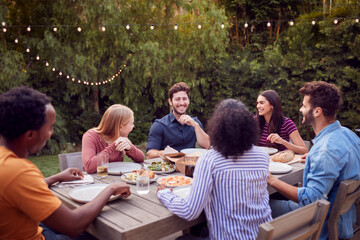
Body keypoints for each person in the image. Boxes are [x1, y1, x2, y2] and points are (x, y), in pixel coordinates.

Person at [0, 86, 131, 239]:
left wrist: (56, 178)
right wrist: (110, 189)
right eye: (50, 127)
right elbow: (73, 225)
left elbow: (17, 187)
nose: (52, 133)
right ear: (30, 134)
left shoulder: (6, 162)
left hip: (32, 225)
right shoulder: (18, 171)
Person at [157, 99, 272, 239]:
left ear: (218, 127)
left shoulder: (210, 159)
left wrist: (164, 194)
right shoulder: (262, 156)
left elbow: (189, 211)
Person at [268, 81, 360, 240]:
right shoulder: (348, 135)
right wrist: (312, 157)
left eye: (304, 106)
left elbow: (310, 200)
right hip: (344, 220)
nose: (300, 109)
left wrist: (271, 180)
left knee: (262, 207)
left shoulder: (325, 151)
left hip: (321, 224)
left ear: (317, 111)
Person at [146, 82, 210, 159]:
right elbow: (150, 154)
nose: (182, 103)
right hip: (168, 167)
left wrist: (196, 126)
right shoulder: (159, 125)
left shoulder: (195, 122)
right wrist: (169, 153)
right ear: (170, 101)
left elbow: (207, 145)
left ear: (189, 100)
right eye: (177, 99)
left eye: (184, 99)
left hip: (190, 166)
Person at [82, 104, 144, 173]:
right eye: (131, 123)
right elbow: (89, 167)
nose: (133, 126)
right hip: (96, 180)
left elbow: (141, 158)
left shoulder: (121, 136)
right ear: (121, 127)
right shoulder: (90, 136)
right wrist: (113, 146)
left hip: (115, 178)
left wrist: (130, 148)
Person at [256, 90, 308, 154]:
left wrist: (283, 142)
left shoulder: (287, 123)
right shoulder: (254, 121)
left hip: (279, 162)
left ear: (272, 105)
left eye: (261, 103)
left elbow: (304, 150)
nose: (258, 106)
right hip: (258, 160)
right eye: (257, 103)